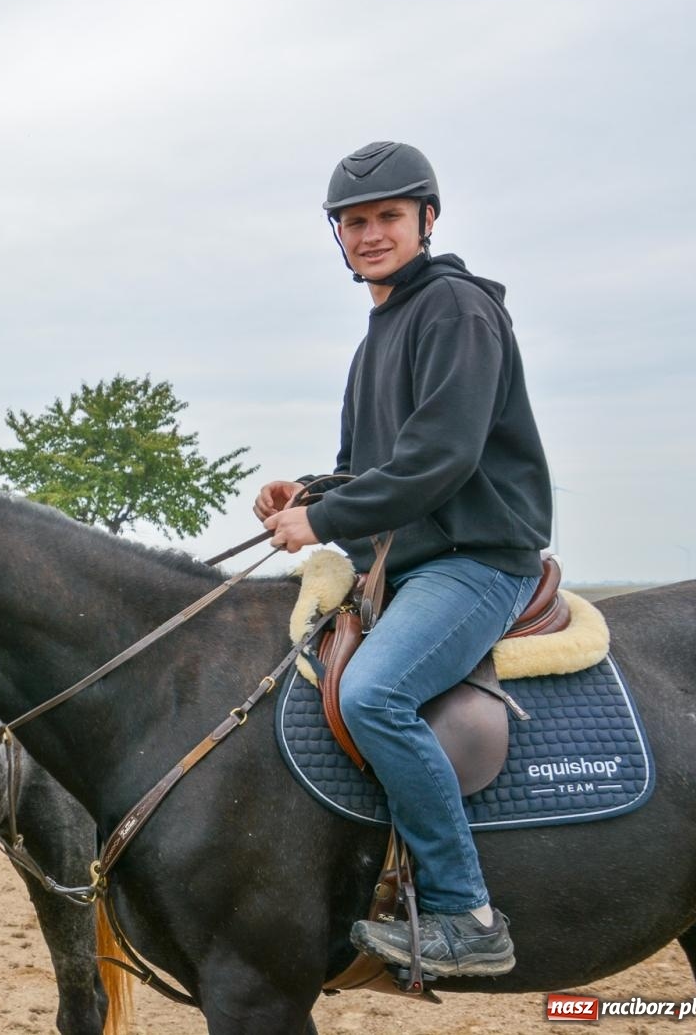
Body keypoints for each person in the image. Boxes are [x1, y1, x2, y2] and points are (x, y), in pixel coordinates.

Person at [255, 141, 551, 978]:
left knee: (375, 691)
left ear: (427, 219)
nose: (372, 233)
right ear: (338, 237)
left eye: (388, 216)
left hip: (477, 560)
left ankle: (466, 914)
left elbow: (441, 460)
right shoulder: (380, 331)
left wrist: (327, 519)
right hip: (410, 564)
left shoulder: (455, 309)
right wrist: (306, 493)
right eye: (355, 222)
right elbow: (374, 465)